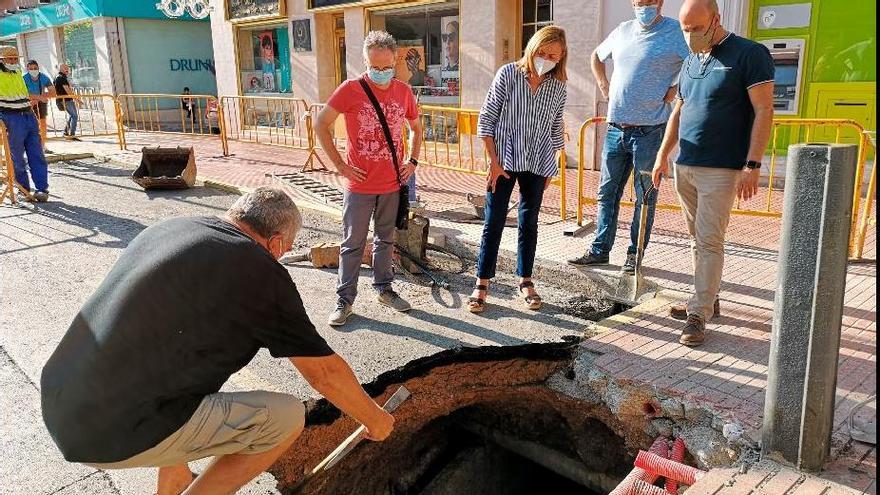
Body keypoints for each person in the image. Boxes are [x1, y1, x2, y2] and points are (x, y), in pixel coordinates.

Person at [41, 187, 395, 495]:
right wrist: (375, 419)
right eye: (284, 251)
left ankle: (173, 485)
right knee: (285, 417)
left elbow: (163, 345)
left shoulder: (173, 228)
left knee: (189, 372)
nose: (281, 257)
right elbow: (324, 375)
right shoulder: (259, 271)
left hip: (62, 398)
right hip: (109, 432)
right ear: (275, 243)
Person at [651, 0, 774, 346]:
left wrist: (753, 164)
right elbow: (679, 110)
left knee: (709, 240)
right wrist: (663, 155)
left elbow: (764, 110)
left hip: (721, 168)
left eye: (696, 29)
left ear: (716, 20)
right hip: (686, 164)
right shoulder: (692, 59)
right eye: (684, 30)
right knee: (696, 239)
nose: (690, 36)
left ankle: (698, 313)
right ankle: (707, 297)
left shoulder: (750, 54)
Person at [568, 0, 689, 273]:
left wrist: (676, 89)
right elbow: (597, 57)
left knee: (644, 196)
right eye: (637, 1)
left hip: (650, 130)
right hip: (615, 128)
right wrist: (602, 83)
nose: (642, 6)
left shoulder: (676, 32)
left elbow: (699, 64)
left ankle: (635, 256)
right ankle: (599, 251)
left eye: (647, 1)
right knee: (606, 193)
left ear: (659, 2)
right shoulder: (622, 30)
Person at [315, 31, 424, 327]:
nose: (380, 72)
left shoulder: (402, 91)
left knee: (385, 239)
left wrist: (412, 160)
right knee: (352, 243)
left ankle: (384, 289)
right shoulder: (350, 89)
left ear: (395, 61)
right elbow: (320, 124)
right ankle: (345, 300)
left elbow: (416, 126)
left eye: (385, 66)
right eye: (374, 66)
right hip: (359, 186)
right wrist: (339, 164)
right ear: (365, 61)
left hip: (391, 184)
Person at [468, 26, 568, 314]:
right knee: (493, 221)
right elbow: (486, 119)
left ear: (560, 58)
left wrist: (551, 169)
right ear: (532, 48)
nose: (546, 58)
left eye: (553, 55)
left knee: (529, 223)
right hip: (504, 162)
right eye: (542, 52)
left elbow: (555, 128)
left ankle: (525, 280)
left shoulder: (558, 87)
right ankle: (482, 282)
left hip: (538, 162)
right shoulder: (508, 74)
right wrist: (493, 162)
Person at [0, 46, 50, 202]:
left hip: (28, 116)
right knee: (17, 158)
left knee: (37, 154)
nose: (14, 61)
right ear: (3, 60)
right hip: (11, 118)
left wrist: (35, 104)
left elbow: (24, 95)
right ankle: (24, 189)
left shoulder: (17, 73)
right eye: (11, 59)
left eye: (16, 58)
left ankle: (42, 189)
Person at [23, 59, 55, 145]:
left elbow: (53, 92)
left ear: (38, 68)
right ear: (27, 69)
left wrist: (38, 99)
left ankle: (43, 145)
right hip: (27, 104)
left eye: (35, 68)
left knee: (43, 124)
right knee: (29, 126)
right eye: (31, 68)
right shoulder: (23, 78)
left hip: (40, 104)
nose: (33, 70)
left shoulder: (44, 77)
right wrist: (39, 97)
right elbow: (24, 94)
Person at [53, 64, 79, 140]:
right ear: (60, 69)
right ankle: (72, 135)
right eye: (65, 68)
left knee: (72, 115)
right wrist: (78, 100)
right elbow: (68, 92)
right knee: (74, 116)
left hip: (62, 100)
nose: (67, 69)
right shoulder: (61, 78)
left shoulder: (58, 77)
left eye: (68, 68)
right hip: (66, 100)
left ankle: (66, 132)